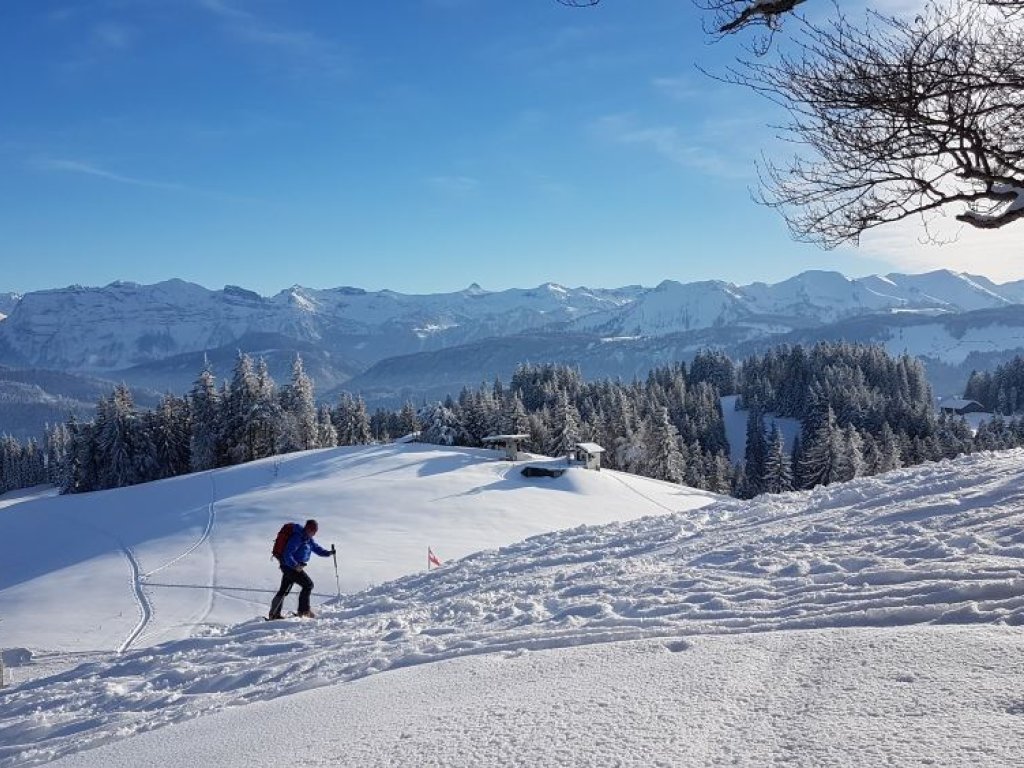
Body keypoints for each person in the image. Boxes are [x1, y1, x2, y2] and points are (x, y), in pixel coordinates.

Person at [268, 519, 334, 619]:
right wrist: (295, 565)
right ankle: (303, 611)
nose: (313, 533)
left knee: (284, 590)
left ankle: (274, 614)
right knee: (308, 585)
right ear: (307, 528)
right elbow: (287, 554)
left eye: (314, 531)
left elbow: (317, 548)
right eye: (312, 530)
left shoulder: (308, 539)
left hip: (290, 567)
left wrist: (328, 553)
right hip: (291, 567)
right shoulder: (298, 537)